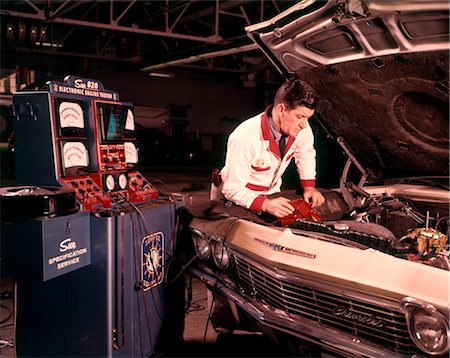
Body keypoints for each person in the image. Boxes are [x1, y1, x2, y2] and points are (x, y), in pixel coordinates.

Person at [213, 77, 325, 218]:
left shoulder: (302, 128)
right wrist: (265, 204)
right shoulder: (244, 137)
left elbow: (305, 154)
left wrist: (309, 187)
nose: (304, 124)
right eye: (299, 116)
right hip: (235, 198)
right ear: (281, 109)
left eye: (307, 118)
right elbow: (232, 189)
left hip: (271, 194)